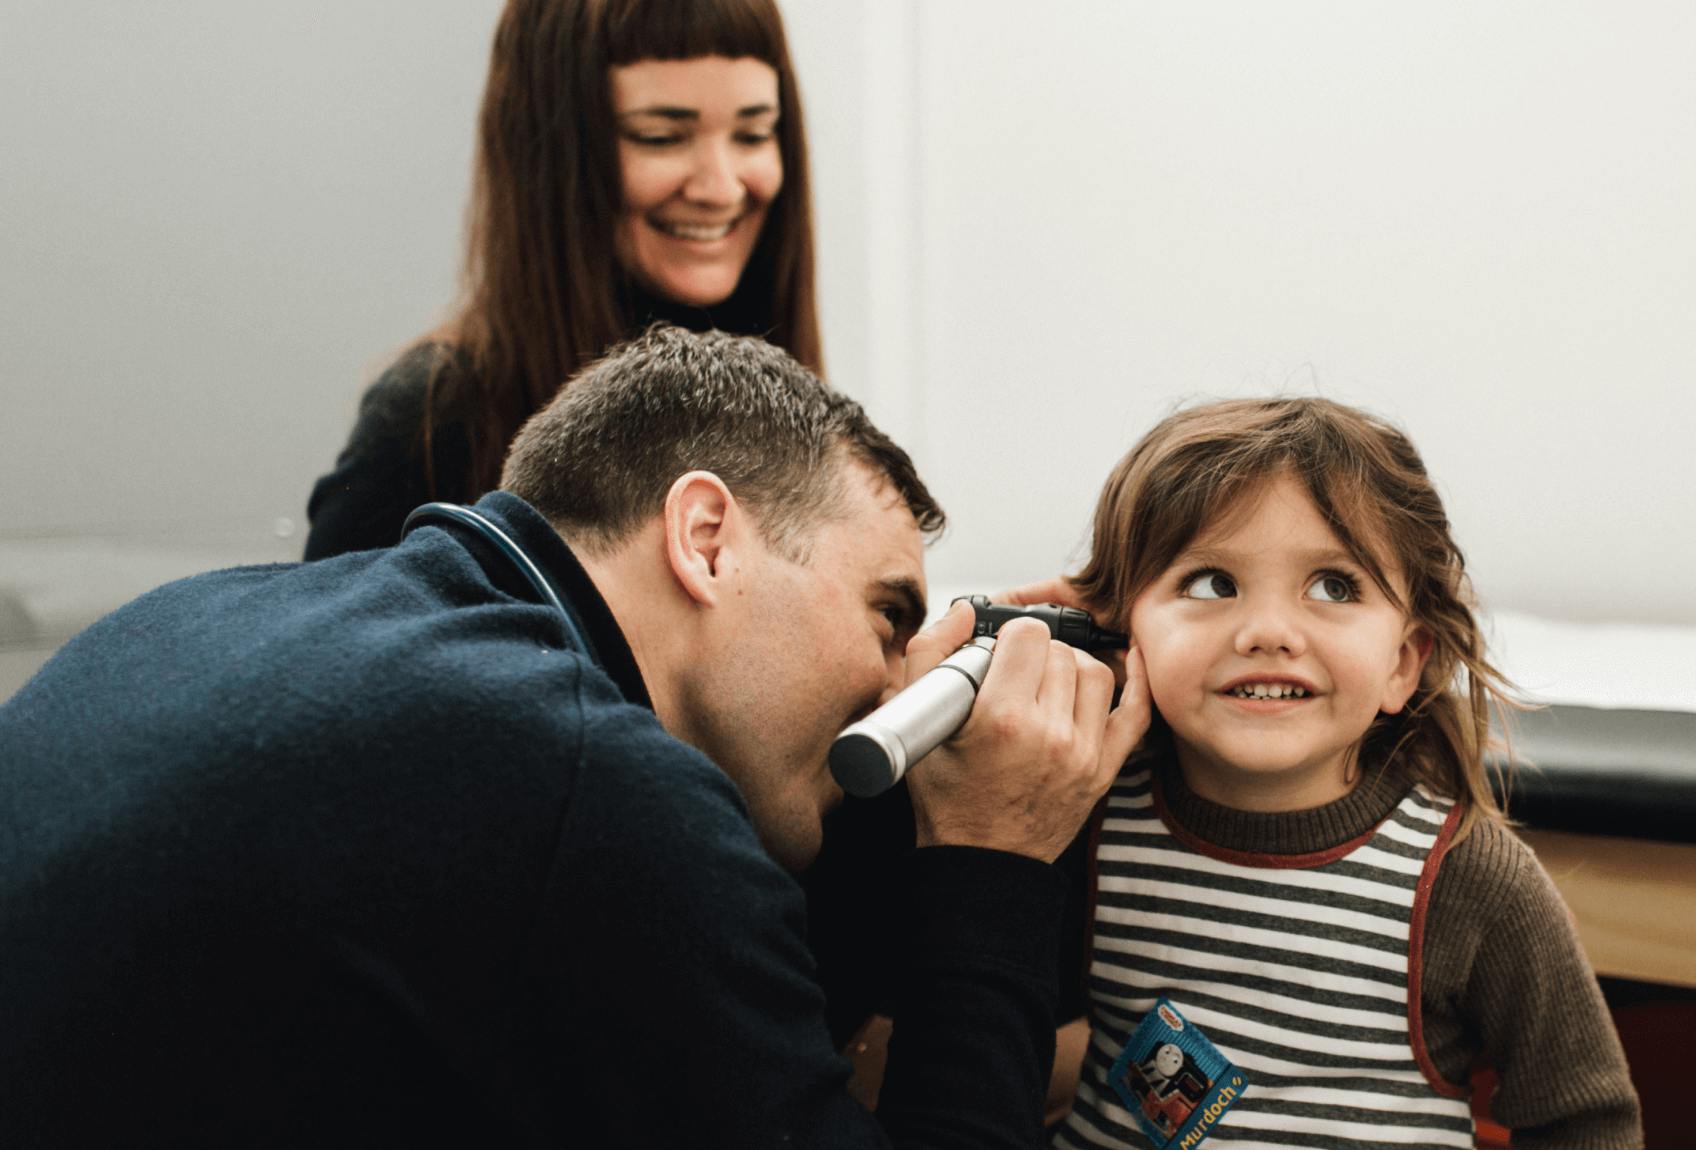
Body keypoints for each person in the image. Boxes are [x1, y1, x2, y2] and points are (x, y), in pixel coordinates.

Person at [0, 327, 1150, 1147]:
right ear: (706, 538)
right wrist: (996, 860)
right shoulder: (589, 786)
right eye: (887, 613)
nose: (894, 680)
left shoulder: (205, 617)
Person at [1044, 398, 1642, 1149]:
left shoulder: (1468, 880)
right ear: (1125, 633)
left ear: (1400, 663)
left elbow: (1586, 1122)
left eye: (1333, 586)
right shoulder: (1090, 825)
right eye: (1210, 584)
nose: (1267, 631)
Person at [304, 0, 821, 560]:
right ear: (551, 156)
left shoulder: (787, 399)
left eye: (753, 134)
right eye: (660, 137)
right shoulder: (432, 419)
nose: (721, 188)